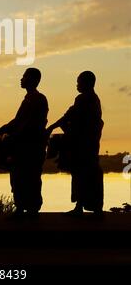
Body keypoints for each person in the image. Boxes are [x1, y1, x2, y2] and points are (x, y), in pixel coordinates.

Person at [47, 71, 104, 216]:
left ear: (87, 83)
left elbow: (71, 117)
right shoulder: (90, 99)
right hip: (87, 144)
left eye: (79, 82)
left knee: (83, 174)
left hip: (84, 144)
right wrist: (53, 127)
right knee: (84, 174)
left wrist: (52, 128)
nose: (77, 85)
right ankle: (85, 207)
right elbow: (69, 115)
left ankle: (86, 207)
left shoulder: (86, 99)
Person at [0, 68, 49, 219]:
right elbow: (18, 121)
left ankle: (31, 208)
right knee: (19, 177)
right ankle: (21, 207)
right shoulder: (28, 99)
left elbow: (28, 124)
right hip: (23, 144)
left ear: (33, 79)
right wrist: (1, 129)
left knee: (30, 177)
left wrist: (11, 134)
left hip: (31, 145)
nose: (21, 79)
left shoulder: (39, 99)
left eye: (24, 76)